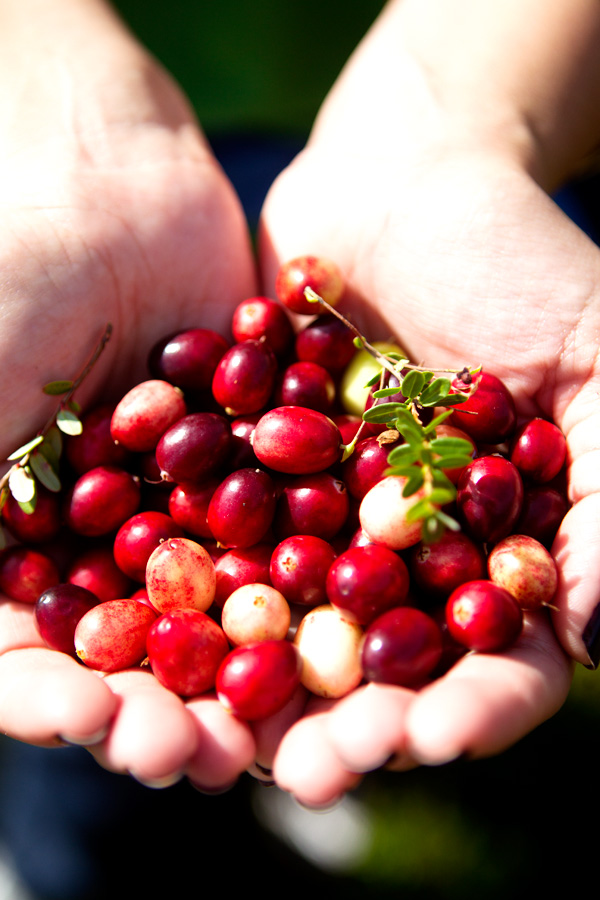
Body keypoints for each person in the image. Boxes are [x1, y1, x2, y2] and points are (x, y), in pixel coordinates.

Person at [0, 0, 598, 809]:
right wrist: (65, 131)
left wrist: (454, 125)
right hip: (71, 114)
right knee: (90, 760)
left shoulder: (352, 456)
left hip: (449, 91)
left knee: (138, 730)